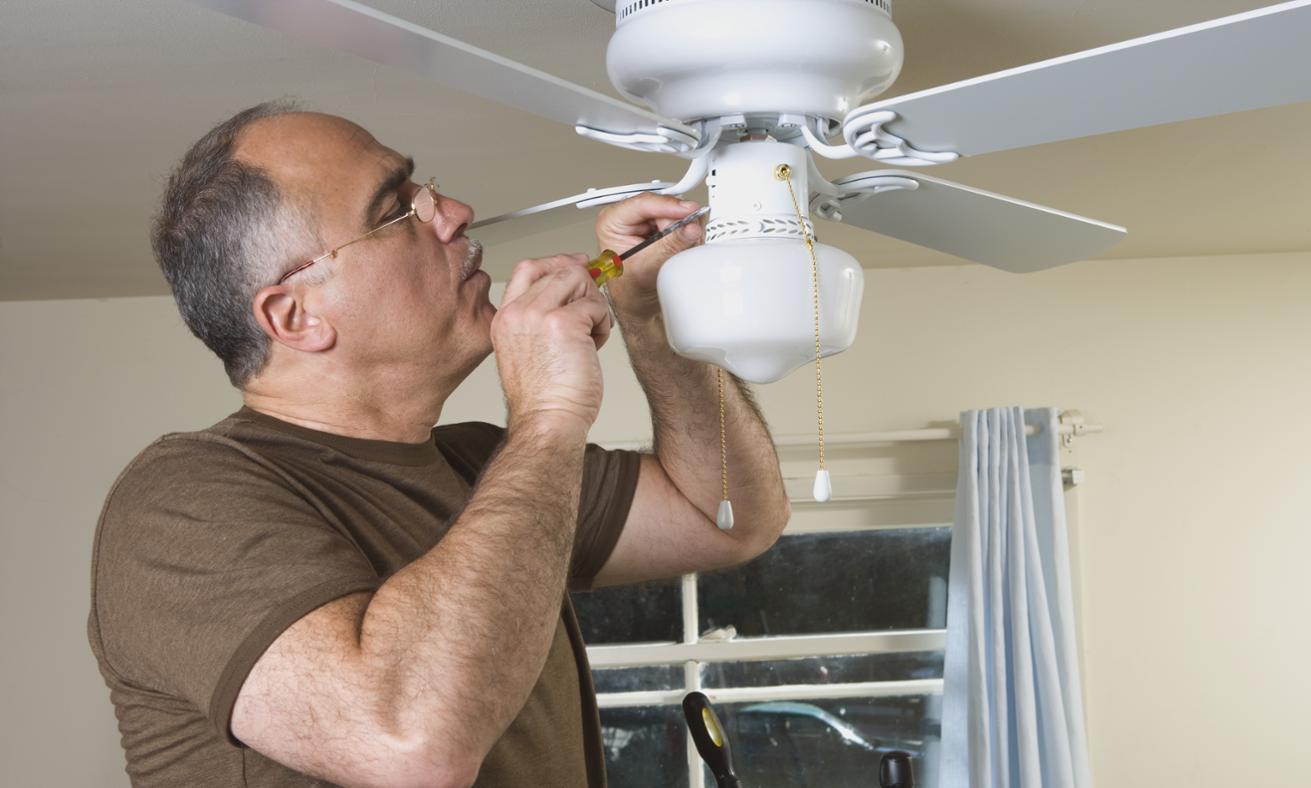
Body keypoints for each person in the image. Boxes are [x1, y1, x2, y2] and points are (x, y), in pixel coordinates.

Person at [87, 102, 790, 787]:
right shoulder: (180, 503)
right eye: (397, 210)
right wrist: (548, 414)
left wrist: (647, 315)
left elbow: (726, 516)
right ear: (296, 316)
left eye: (426, 189)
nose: (453, 211)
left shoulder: (483, 466)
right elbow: (411, 746)